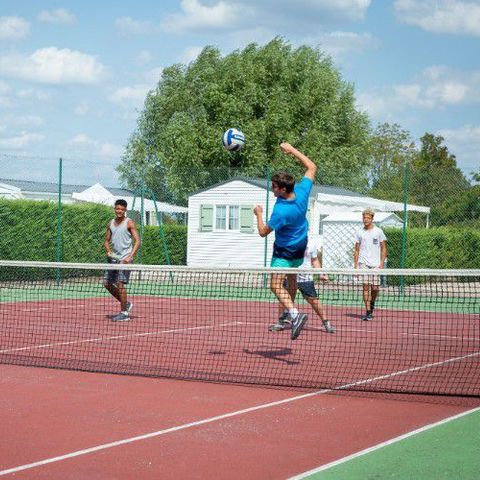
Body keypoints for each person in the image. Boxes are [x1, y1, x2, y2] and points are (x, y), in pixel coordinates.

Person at [253, 142, 316, 340]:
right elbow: (311, 167)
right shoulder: (302, 191)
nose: (271, 189)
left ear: (282, 189)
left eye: (274, 187)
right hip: (300, 245)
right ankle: (288, 315)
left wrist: (258, 214)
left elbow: (263, 232)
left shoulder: (281, 211)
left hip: (285, 251)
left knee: (275, 285)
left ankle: (295, 315)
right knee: (292, 281)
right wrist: (292, 150)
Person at [275, 238, 335, 334]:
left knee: (314, 300)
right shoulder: (288, 240)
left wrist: (321, 273)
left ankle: (326, 322)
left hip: (305, 278)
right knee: (284, 298)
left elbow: (314, 260)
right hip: (290, 275)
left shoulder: (311, 243)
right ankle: (280, 322)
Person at [103, 199, 140, 322]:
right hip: (114, 260)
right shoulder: (111, 223)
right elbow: (106, 241)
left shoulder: (129, 223)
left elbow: (138, 241)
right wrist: (109, 251)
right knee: (106, 283)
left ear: (125, 210)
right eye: (117, 209)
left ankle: (124, 313)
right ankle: (126, 304)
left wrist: (130, 256)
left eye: (122, 209)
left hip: (125, 259)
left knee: (120, 284)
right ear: (115, 209)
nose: (119, 211)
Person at [353, 208, 387, 321]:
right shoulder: (359, 232)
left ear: (372, 219)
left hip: (376, 265)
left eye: (368, 218)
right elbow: (356, 250)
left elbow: (383, 248)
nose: (366, 220)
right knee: (366, 287)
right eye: (364, 218)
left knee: (375, 288)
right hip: (363, 263)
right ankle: (368, 312)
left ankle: (371, 304)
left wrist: (382, 263)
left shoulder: (378, 231)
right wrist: (355, 266)